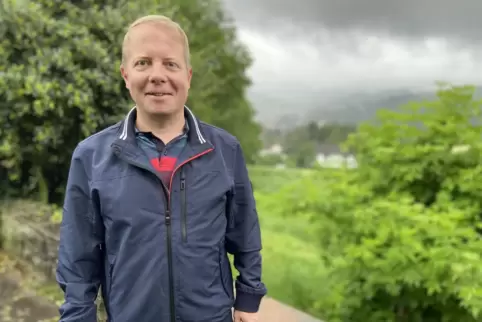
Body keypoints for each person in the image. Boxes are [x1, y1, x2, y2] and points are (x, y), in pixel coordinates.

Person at [56, 14, 267, 322]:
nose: (157, 75)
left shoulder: (225, 150)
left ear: (189, 76)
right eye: (143, 63)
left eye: (170, 64)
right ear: (125, 75)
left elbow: (244, 232)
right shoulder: (91, 156)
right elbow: (78, 252)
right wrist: (77, 316)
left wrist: (248, 299)